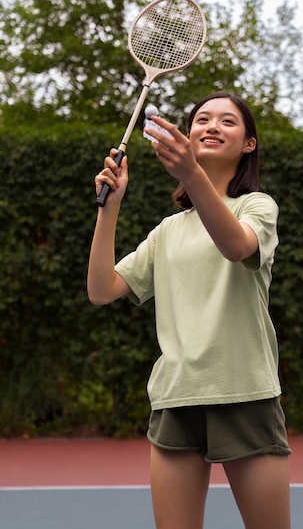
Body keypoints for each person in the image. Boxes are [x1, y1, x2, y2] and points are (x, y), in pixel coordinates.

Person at [87, 91, 291, 529]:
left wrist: (190, 172)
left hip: (244, 393)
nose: (212, 126)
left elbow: (236, 246)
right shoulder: (167, 231)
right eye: (202, 119)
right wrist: (111, 207)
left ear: (249, 144)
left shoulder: (257, 207)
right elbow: (102, 289)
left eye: (228, 121)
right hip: (176, 397)